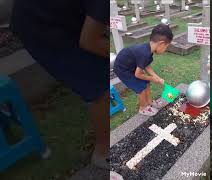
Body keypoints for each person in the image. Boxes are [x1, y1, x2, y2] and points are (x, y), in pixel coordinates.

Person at [10, 0, 108, 168]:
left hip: (58, 13)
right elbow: (89, 42)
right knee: (101, 85)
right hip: (38, 24)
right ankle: (103, 151)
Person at [114, 24, 173, 116]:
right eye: (166, 47)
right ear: (161, 43)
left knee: (146, 83)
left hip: (130, 66)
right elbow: (138, 75)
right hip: (123, 69)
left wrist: (156, 77)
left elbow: (146, 65)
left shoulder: (148, 49)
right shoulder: (144, 53)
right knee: (141, 87)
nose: (165, 50)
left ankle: (149, 102)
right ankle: (143, 108)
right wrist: (152, 78)